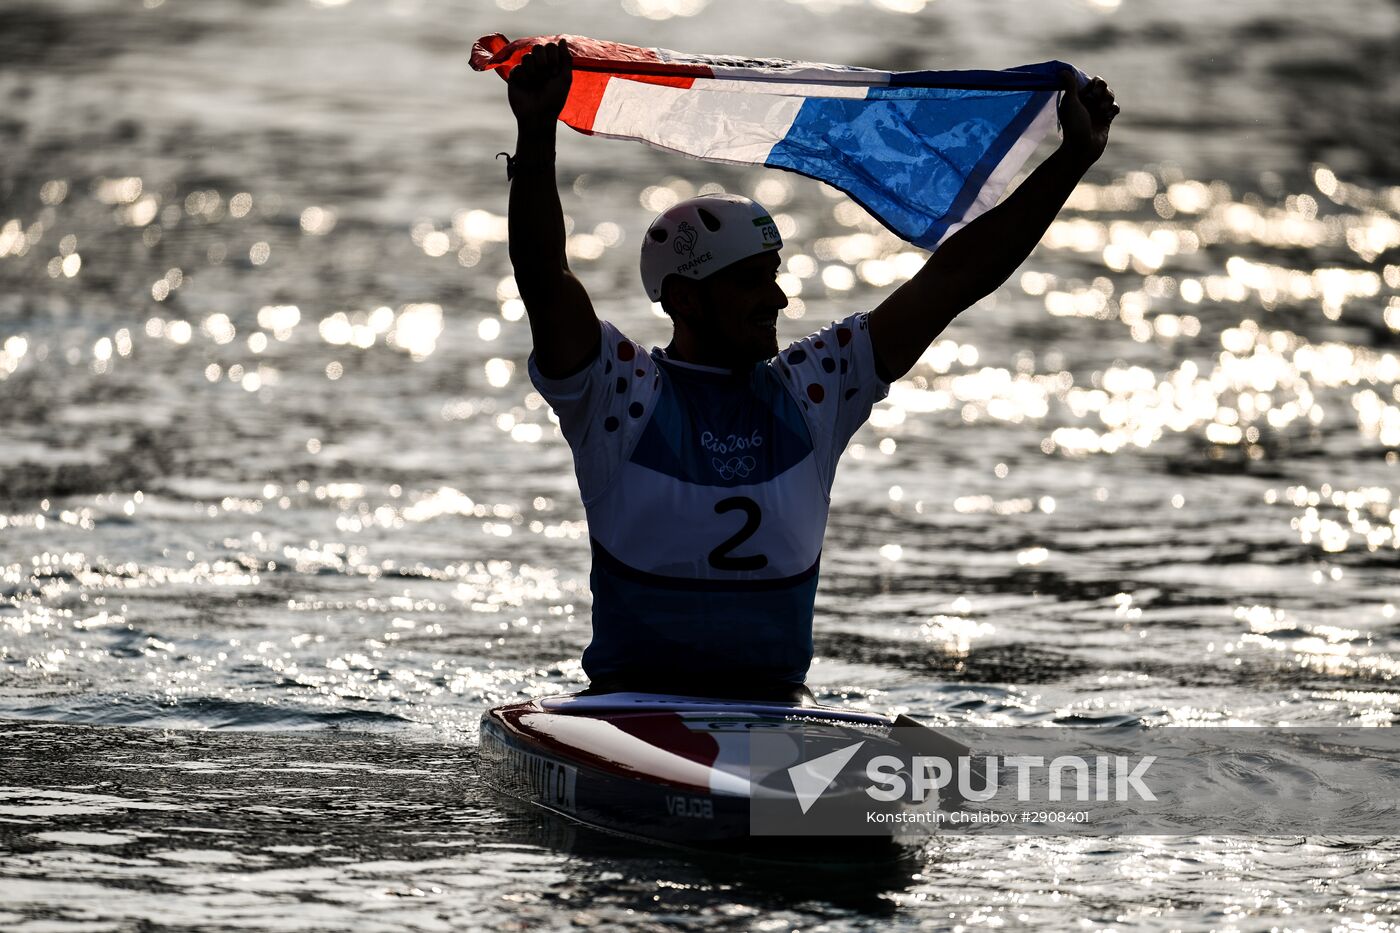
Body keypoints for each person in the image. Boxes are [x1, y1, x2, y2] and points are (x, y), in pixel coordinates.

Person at [504, 40, 1118, 701]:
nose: (778, 299)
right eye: (750, 283)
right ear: (684, 299)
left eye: (774, 277)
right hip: (632, 707)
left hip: (777, 711)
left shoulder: (815, 389)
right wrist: (536, 132)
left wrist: (1071, 161)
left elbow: (954, 278)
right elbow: (545, 277)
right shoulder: (618, 394)